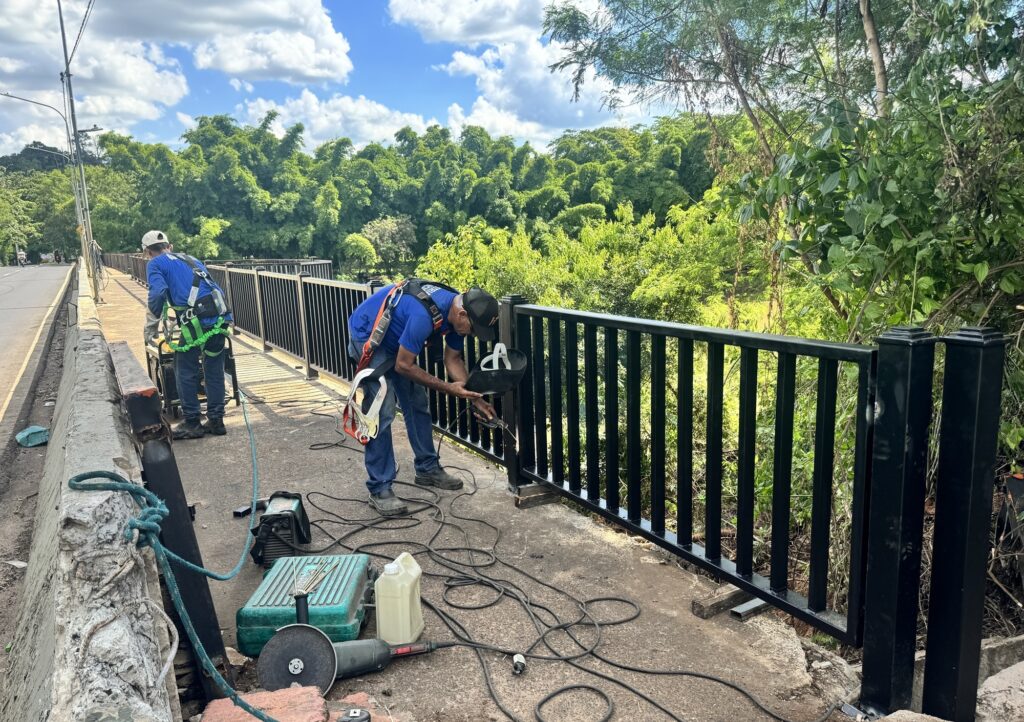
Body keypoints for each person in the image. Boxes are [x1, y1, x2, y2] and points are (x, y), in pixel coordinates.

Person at [347, 279, 499, 516]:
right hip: (369, 333)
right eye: (472, 328)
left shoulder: (455, 311)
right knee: (382, 411)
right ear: (461, 314)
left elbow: (454, 359)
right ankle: (379, 488)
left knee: (417, 402)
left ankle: (427, 468)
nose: (471, 333)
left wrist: (475, 398)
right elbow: (404, 366)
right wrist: (449, 388)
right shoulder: (422, 316)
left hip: (397, 342)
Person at [142, 230, 233, 440]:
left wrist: (151, 326)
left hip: (196, 320)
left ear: (147, 252)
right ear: (169, 246)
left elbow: (157, 293)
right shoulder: (191, 259)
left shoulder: (155, 264)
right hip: (219, 316)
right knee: (213, 368)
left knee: (184, 368)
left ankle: (192, 422)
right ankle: (216, 420)